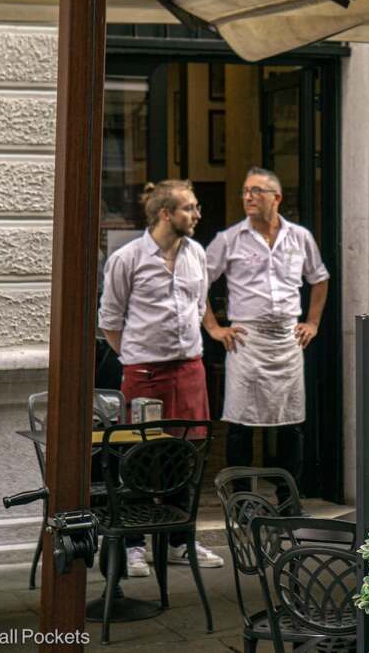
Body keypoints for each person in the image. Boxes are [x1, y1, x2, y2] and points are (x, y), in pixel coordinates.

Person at [97, 179, 224, 577]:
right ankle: (133, 545)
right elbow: (110, 321)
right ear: (166, 214)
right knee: (137, 459)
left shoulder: (197, 253)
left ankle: (178, 542)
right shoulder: (127, 258)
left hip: (189, 370)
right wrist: (137, 358)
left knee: (185, 458)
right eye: (189, 208)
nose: (197, 214)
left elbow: (199, 305)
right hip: (144, 374)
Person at [204, 167, 329, 500]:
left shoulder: (300, 237)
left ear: (277, 198)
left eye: (256, 191)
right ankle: (242, 501)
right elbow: (197, 282)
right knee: (240, 425)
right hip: (246, 340)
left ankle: (288, 502)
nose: (248, 197)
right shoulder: (229, 239)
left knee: (291, 425)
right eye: (245, 191)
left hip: (287, 339)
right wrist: (214, 327)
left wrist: (313, 322)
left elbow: (319, 279)